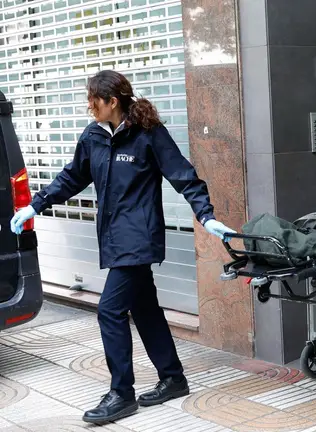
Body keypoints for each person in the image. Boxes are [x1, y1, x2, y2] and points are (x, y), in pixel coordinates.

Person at [9, 70, 236, 424]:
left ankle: (122, 393)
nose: (89, 106)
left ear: (112, 101)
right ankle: (173, 378)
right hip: (114, 238)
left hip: (139, 238)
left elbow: (183, 176)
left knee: (110, 311)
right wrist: (34, 205)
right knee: (144, 309)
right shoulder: (93, 137)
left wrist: (206, 217)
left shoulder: (148, 135)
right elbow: (72, 176)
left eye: (93, 100)